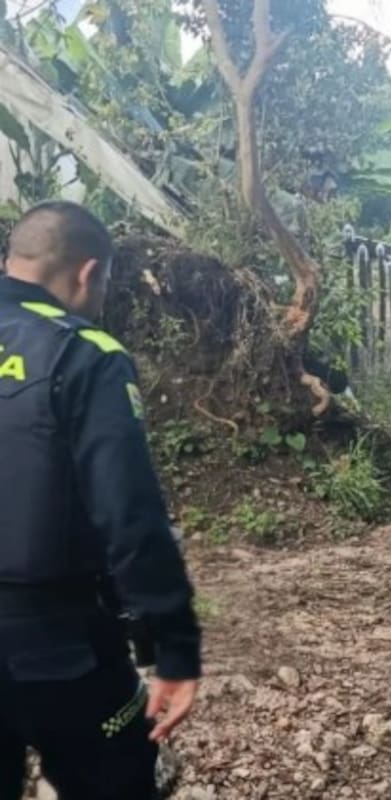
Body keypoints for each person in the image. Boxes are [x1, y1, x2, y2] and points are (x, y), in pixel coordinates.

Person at [0, 202, 201, 799]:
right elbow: (129, 516)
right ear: (87, 274)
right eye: (106, 283)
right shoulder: (85, 353)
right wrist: (175, 648)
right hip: (59, 642)